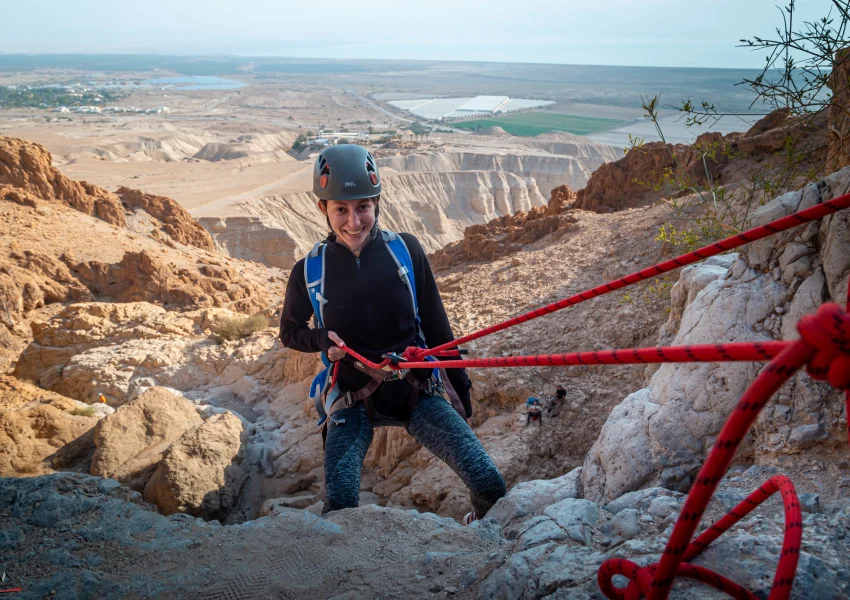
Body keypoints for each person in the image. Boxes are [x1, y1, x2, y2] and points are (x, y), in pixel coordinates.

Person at [280, 144, 506, 524]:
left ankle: (476, 532)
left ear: (377, 203)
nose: (354, 221)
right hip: (352, 399)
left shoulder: (406, 251)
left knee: (489, 485)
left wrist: (461, 394)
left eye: (363, 207)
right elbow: (289, 332)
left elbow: (437, 328)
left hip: (415, 390)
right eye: (341, 209)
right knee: (339, 508)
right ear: (323, 209)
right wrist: (321, 341)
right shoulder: (309, 270)